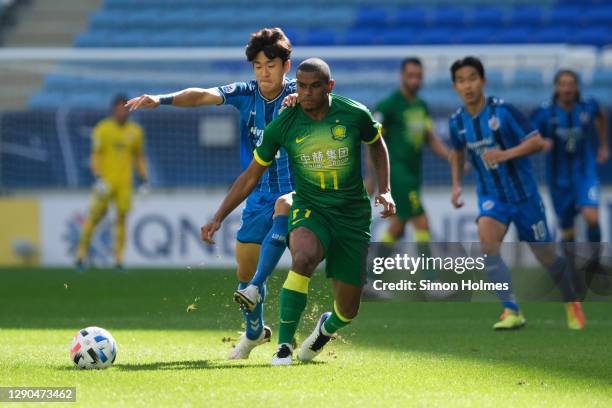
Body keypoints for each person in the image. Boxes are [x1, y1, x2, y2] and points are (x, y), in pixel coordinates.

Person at [201, 58, 395, 365]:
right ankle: (284, 347)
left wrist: (384, 188)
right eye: (301, 86)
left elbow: (377, 144)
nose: (305, 93)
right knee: (302, 258)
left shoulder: (354, 113)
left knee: (348, 309)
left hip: (352, 216)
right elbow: (251, 175)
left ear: (329, 86)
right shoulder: (284, 124)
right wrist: (218, 216)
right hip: (310, 207)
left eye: (314, 86)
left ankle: (324, 329)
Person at [125, 27, 295, 359]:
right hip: (258, 193)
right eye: (258, 66)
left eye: (271, 65)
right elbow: (202, 94)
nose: (264, 72)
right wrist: (161, 99)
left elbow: (328, 98)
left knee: (299, 253)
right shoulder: (247, 93)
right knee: (245, 273)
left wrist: (303, 98)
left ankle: (291, 342)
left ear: (286, 66)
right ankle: (255, 332)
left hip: (300, 192)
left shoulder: (300, 93)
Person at [448, 56, 585, 330]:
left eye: (472, 78)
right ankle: (511, 310)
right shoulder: (457, 122)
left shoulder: (503, 111)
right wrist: (455, 185)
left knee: (546, 256)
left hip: (525, 198)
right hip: (492, 197)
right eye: (461, 81)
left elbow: (536, 142)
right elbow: (456, 152)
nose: (468, 85)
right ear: (455, 87)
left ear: (483, 81)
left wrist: (505, 154)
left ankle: (573, 302)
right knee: (487, 241)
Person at [531, 69, 609, 296]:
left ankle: (594, 264)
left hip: (585, 172)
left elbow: (601, 115)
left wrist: (603, 144)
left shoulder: (588, 106)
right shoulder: (545, 112)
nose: (567, 88)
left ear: (576, 86)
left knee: (591, 216)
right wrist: (540, 142)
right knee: (567, 231)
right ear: (556, 87)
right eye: (563, 84)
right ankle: (573, 274)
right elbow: (529, 133)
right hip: (558, 179)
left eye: (571, 84)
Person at [372, 57, 449, 247]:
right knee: (422, 223)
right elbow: (372, 141)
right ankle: (430, 277)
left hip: (414, 173)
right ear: (401, 76)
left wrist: (452, 157)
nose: (415, 80)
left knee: (398, 227)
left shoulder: (421, 105)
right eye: (411, 76)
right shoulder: (389, 105)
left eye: (418, 76)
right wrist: (373, 176)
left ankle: (373, 273)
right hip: (398, 174)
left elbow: (430, 138)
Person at [76, 95, 148, 270]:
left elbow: (139, 157)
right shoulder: (103, 129)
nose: (123, 111)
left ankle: (118, 259)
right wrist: (98, 177)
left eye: (125, 108)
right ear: (113, 110)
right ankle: (81, 255)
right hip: (105, 183)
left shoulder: (136, 131)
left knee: (122, 219)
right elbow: (96, 154)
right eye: (119, 108)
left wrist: (144, 179)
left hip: (125, 184)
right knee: (94, 217)